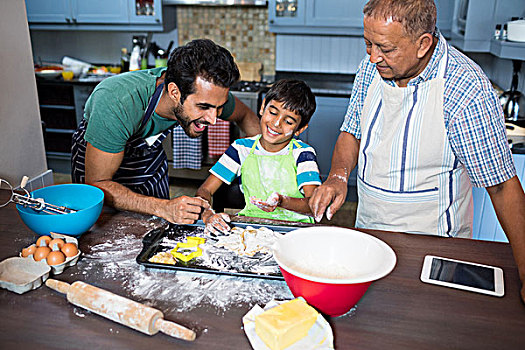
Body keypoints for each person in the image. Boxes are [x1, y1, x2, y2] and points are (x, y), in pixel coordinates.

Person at [309, 0, 525, 302]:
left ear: (423, 44)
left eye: (385, 48)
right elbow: (352, 131)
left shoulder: (465, 89)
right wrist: (337, 176)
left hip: (436, 251)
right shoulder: (371, 69)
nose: (373, 57)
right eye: (367, 44)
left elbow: (502, 187)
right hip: (370, 236)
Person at [71, 39, 261, 224]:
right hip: (101, 165)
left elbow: (246, 117)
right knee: (108, 234)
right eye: (203, 107)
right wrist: (163, 207)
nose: (213, 119)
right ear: (174, 92)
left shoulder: (208, 95)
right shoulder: (116, 102)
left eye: (218, 108)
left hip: (147, 159)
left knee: (157, 229)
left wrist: (267, 162)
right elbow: (97, 184)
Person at [196, 79, 321, 235]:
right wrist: (207, 213)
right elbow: (205, 190)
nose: (276, 123)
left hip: (295, 230)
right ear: (262, 108)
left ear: (299, 129)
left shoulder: (302, 154)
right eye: (273, 112)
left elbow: (312, 205)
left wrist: (282, 202)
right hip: (252, 227)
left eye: (288, 121)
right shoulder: (241, 149)